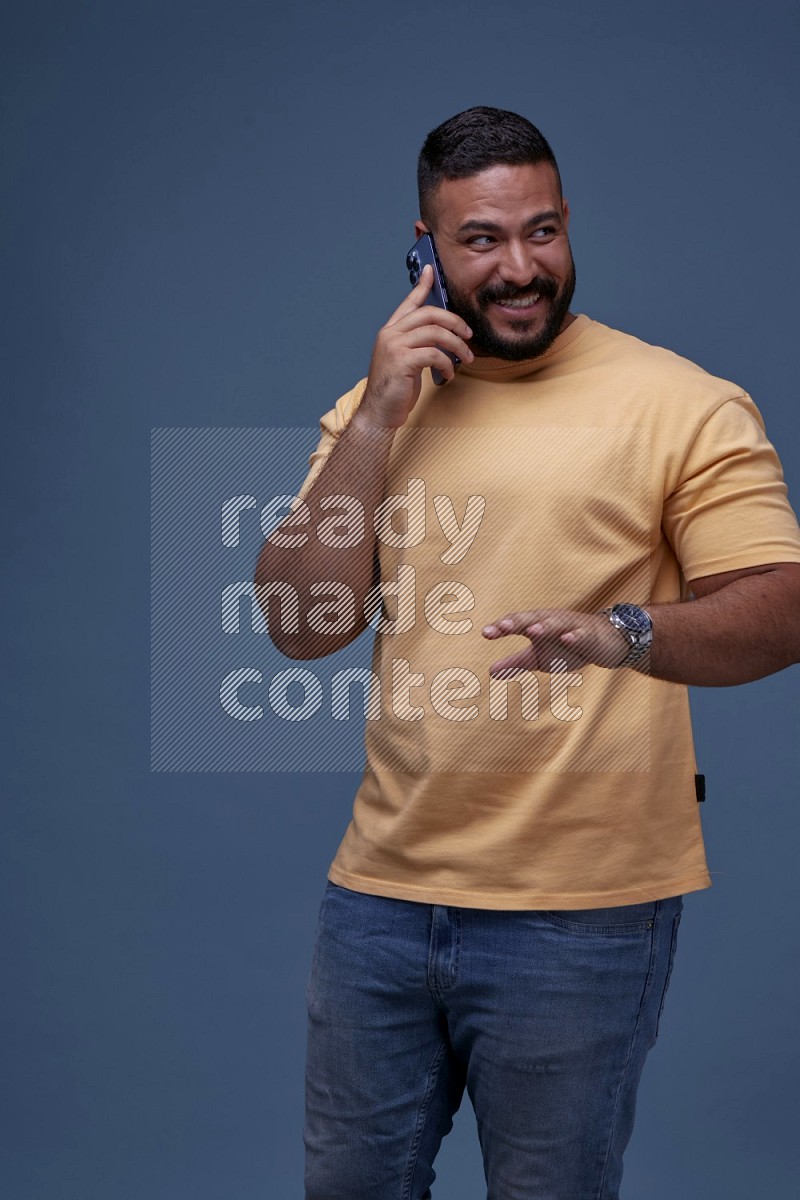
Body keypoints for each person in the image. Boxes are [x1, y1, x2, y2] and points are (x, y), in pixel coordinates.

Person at [255, 106, 800, 1199]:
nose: (518, 268)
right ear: (423, 248)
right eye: (480, 240)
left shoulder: (681, 405)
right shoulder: (375, 410)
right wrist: (373, 421)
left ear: (566, 228)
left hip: (581, 915)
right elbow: (299, 627)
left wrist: (624, 632)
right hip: (380, 900)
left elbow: (779, 607)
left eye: (539, 233)